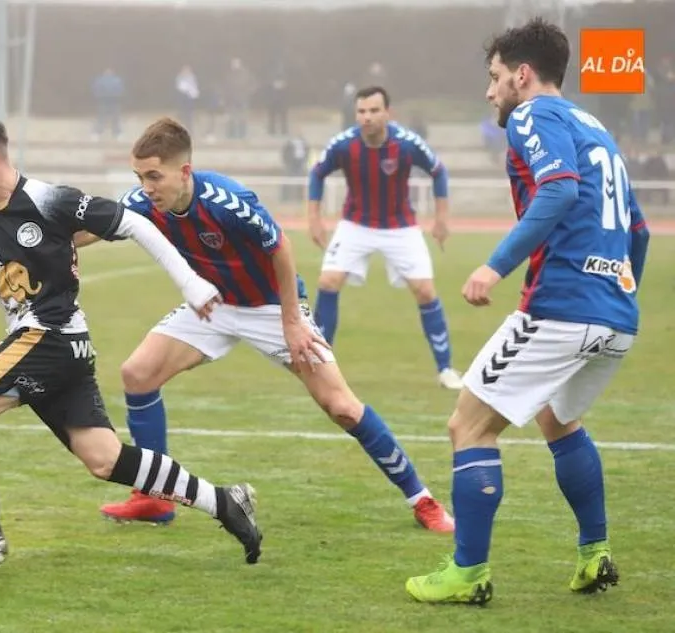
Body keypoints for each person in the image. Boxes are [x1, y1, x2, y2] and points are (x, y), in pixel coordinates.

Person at [0, 109, 262, 570]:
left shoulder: (48, 199)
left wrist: (191, 285)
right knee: (105, 459)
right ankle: (224, 502)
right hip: (69, 346)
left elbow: (135, 223)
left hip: (48, 337)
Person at [77, 117, 454, 533]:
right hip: (214, 305)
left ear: (184, 171)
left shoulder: (227, 200)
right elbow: (91, 230)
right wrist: (44, 235)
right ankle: (154, 497)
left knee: (342, 407)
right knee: (138, 373)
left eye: (154, 176)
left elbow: (280, 248)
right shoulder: (144, 202)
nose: (147, 187)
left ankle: (423, 500)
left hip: (272, 307)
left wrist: (292, 321)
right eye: (140, 177)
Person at [405, 17, 651, 605]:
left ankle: (468, 572)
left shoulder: (532, 115)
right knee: (557, 420)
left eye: (494, 78)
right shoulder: (597, 128)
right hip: (616, 314)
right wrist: (619, 292)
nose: (490, 92)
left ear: (522, 75)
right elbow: (638, 229)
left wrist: (495, 265)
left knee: (468, 425)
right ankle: (595, 554)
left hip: (563, 307)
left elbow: (559, 189)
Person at [307, 86, 464, 390]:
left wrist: (441, 218)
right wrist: (314, 219)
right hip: (355, 225)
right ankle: (319, 366)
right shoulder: (344, 144)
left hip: (400, 227)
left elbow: (438, 171)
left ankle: (445, 369)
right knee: (327, 282)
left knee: (425, 291)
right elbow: (317, 174)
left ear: (387, 113)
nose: (367, 117)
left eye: (374, 111)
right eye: (362, 111)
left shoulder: (406, 144)